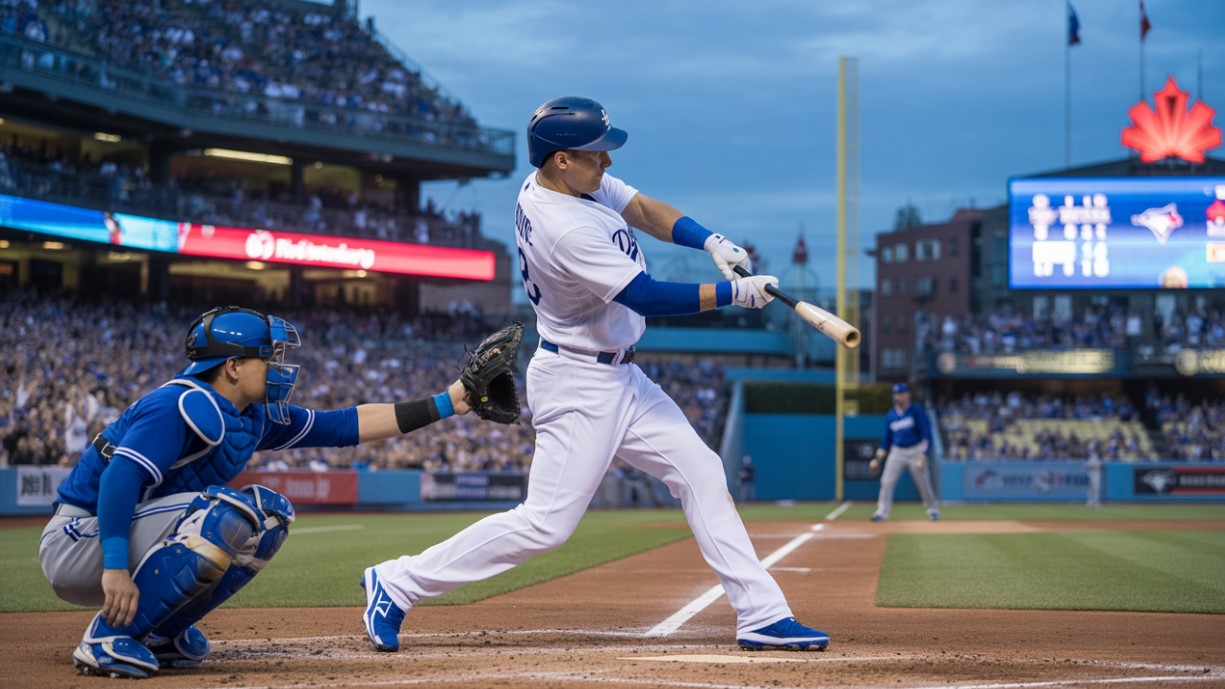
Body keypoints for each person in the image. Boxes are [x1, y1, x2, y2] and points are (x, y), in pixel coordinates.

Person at [361, 96, 828, 653]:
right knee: (545, 525)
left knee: (701, 471)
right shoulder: (563, 225)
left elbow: (643, 209)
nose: (606, 163)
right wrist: (735, 293)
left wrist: (709, 240)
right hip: (580, 383)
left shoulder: (565, 181)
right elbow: (645, 295)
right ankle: (396, 581)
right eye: (596, 154)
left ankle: (761, 614)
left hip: (621, 377)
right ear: (561, 159)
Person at [40, 306, 476, 679]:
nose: (280, 367)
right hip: (79, 538)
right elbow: (120, 477)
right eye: (269, 357)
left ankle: (161, 630)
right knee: (224, 511)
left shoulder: (252, 414)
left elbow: (346, 425)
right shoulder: (178, 404)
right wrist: (114, 567)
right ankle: (108, 637)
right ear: (232, 366)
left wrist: (447, 402)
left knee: (269, 516)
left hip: (119, 532)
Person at [870, 383, 940, 521]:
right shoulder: (891, 415)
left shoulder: (916, 410)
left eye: (900, 394)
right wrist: (877, 459)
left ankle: (932, 509)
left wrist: (923, 455)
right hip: (897, 451)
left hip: (915, 450)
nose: (898, 397)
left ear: (907, 395)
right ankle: (882, 512)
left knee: (924, 482)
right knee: (886, 481)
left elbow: (926, 433)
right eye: (896, 394)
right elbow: (886, 440)